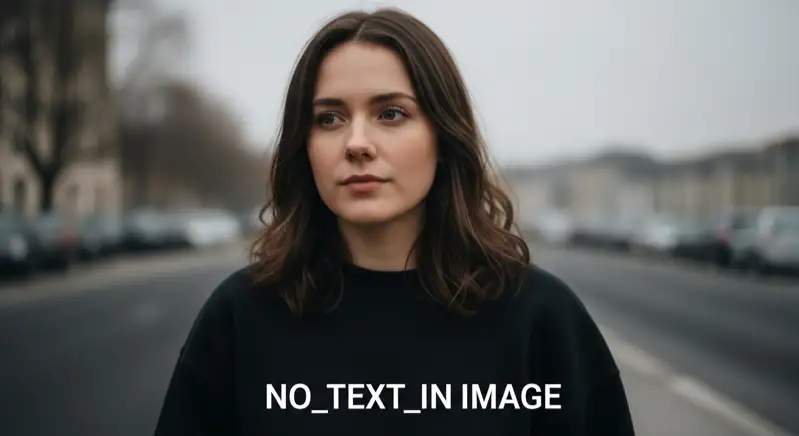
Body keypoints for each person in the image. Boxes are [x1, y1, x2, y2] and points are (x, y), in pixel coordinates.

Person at [153, 7, 636, 436]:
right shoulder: (240, 318)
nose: (356, 143)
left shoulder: (540, 318)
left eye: (390, 113)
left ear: (444, 137)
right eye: (329, 119)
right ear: (304, 146)